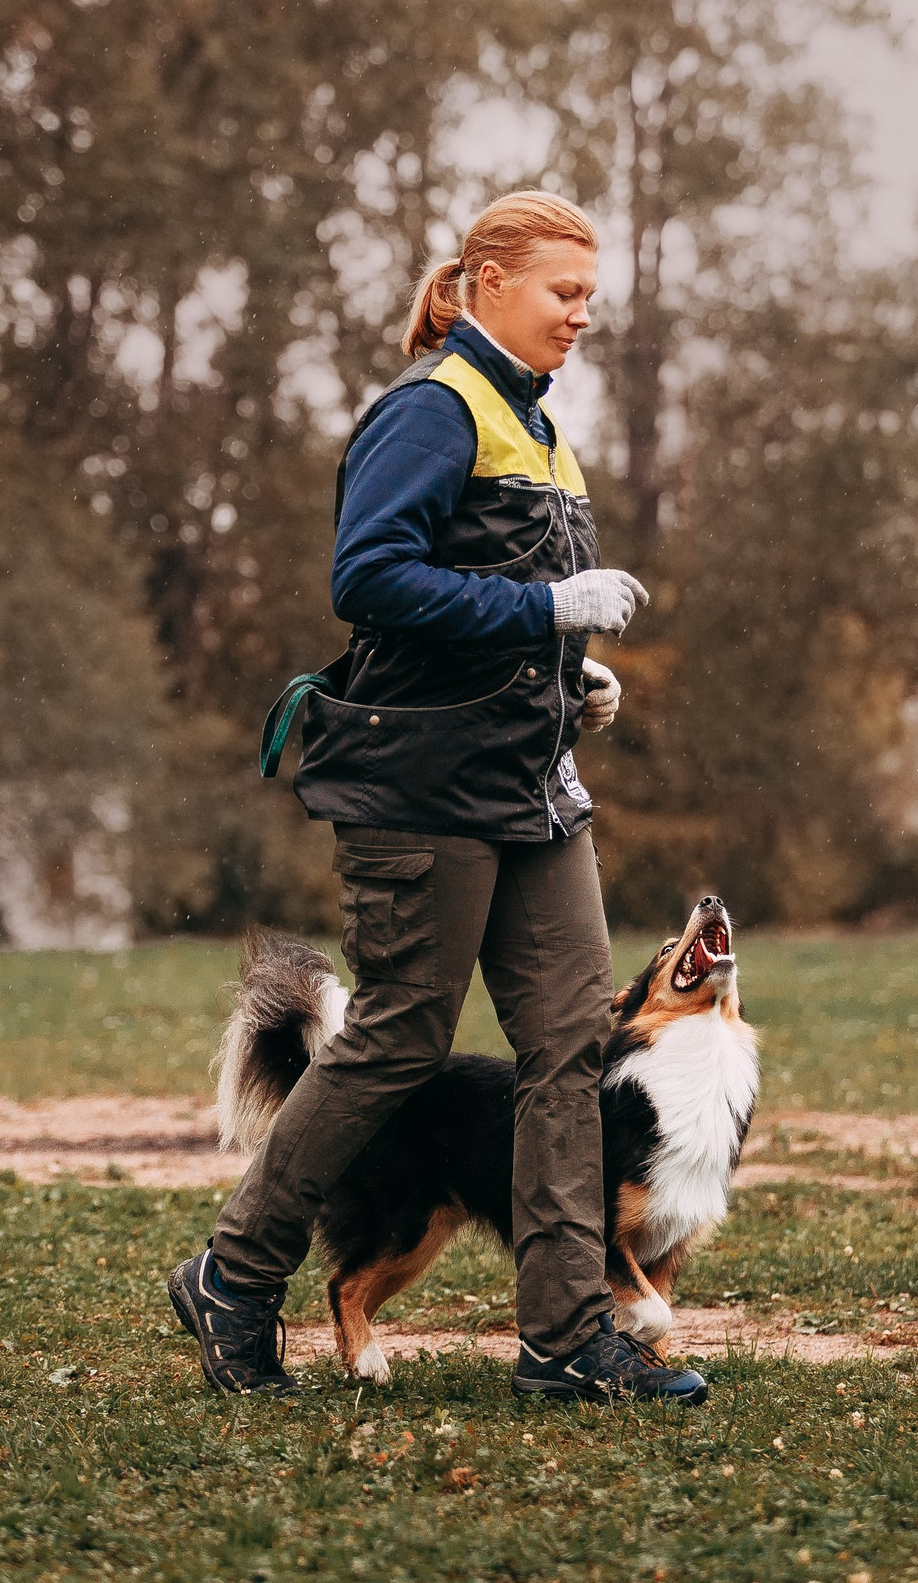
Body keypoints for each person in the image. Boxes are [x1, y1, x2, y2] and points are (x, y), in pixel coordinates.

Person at [168, 190, 707, 1405]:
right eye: (564, 292)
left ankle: (567, 1335)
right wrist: (547, 612)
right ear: (487, 282)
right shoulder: (429, 411)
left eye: (590, 298)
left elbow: (491, 597)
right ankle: (234, 1272)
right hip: (422, 786)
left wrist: (574, 676)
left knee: (569, 1045)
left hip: (531, 785)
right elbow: (371, 579)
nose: (582, 315)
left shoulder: (538, 427)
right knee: (403, 1035)